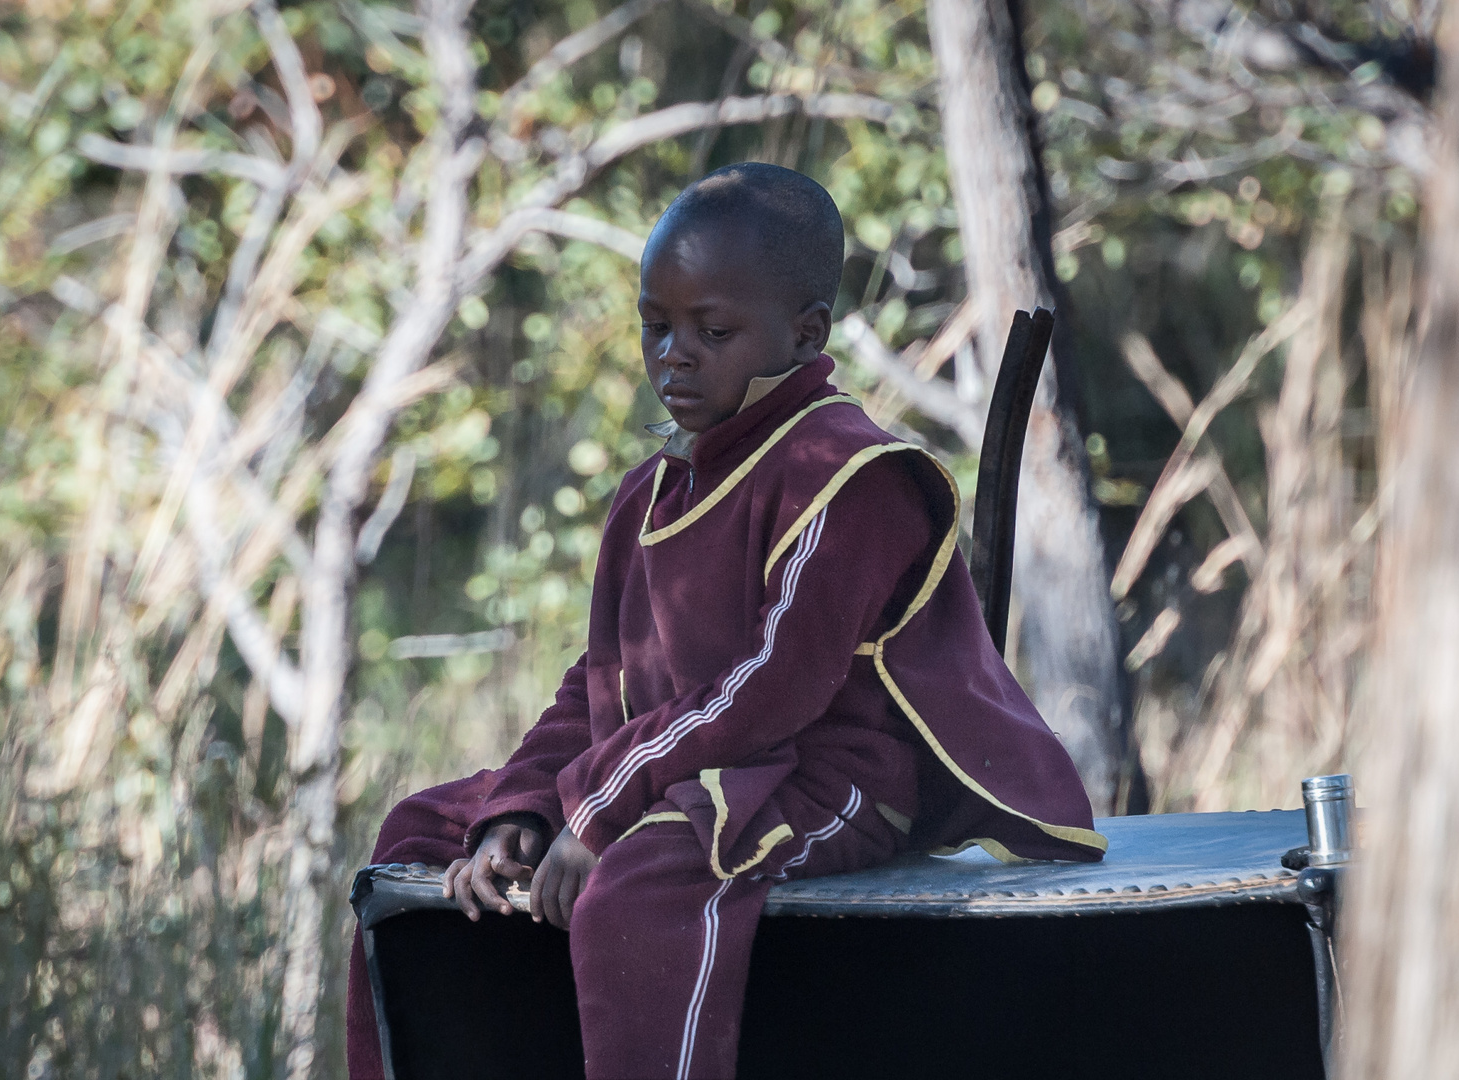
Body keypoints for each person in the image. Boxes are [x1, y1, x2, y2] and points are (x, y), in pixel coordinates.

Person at [346, 161, 1106, 1080]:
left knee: (648, 877)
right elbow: (598, 688)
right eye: (655, 327)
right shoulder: (652, 490)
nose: (674, 355)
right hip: (677, 772)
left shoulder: (850, 475)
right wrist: (527, 807)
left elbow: (769, 689)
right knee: (422, 831)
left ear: (805, 331)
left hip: (827, 778)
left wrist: (598, 807)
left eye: (712, 331)